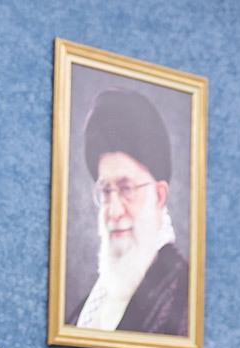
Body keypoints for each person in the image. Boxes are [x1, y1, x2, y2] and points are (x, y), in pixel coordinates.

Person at [70, 87, 189, 335]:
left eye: (127, 189)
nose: (114, 211)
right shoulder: (94, 300)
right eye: (106, 191)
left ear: (159, 196)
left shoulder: (183, 294)